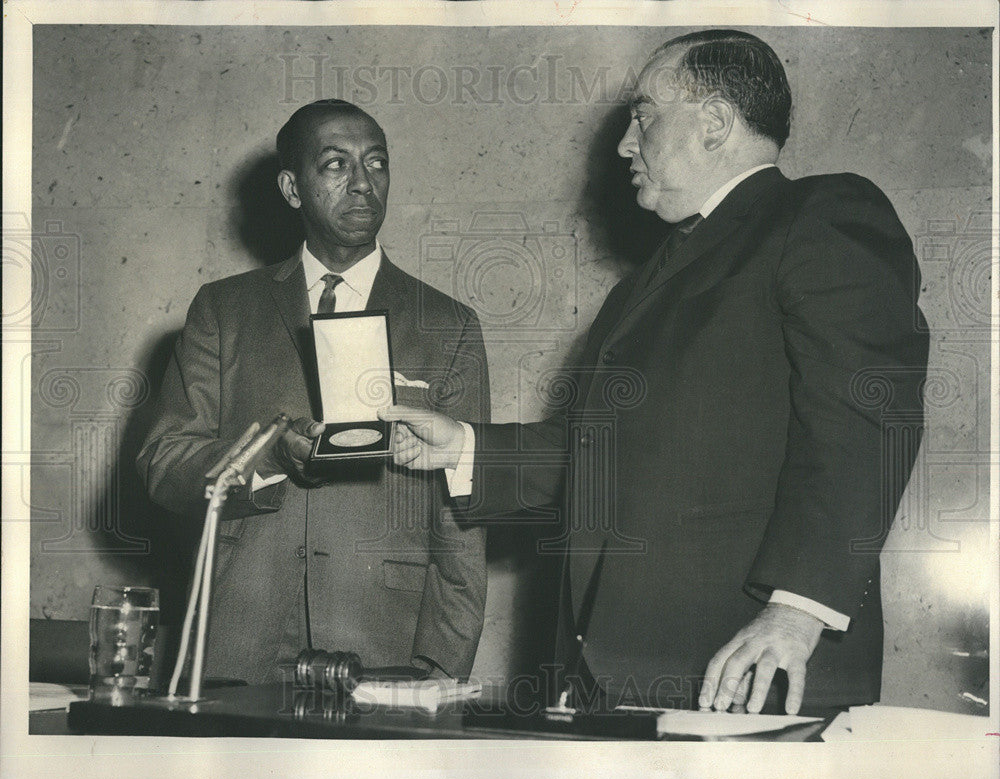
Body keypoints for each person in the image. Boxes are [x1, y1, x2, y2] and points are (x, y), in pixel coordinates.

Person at [381, 30, 928, 713]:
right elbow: (607, 453)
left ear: (716, 123)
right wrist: (466, 445)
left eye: (643, 115)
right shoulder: (641, 286)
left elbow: (866, 416)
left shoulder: (820, 217)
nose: (622, 144)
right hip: (605, 679)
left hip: (749, 671)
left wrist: (797, 611)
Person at [138, 99, 490, 684]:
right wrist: (270, 458)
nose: (362, 183)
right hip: (237, 636)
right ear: (291, 188)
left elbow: (464, 508)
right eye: (334, 165)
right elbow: (164, 462)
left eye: (376, 163)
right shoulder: (225, 310)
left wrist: (442, 660)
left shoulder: (448, 324)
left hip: (388, 642)